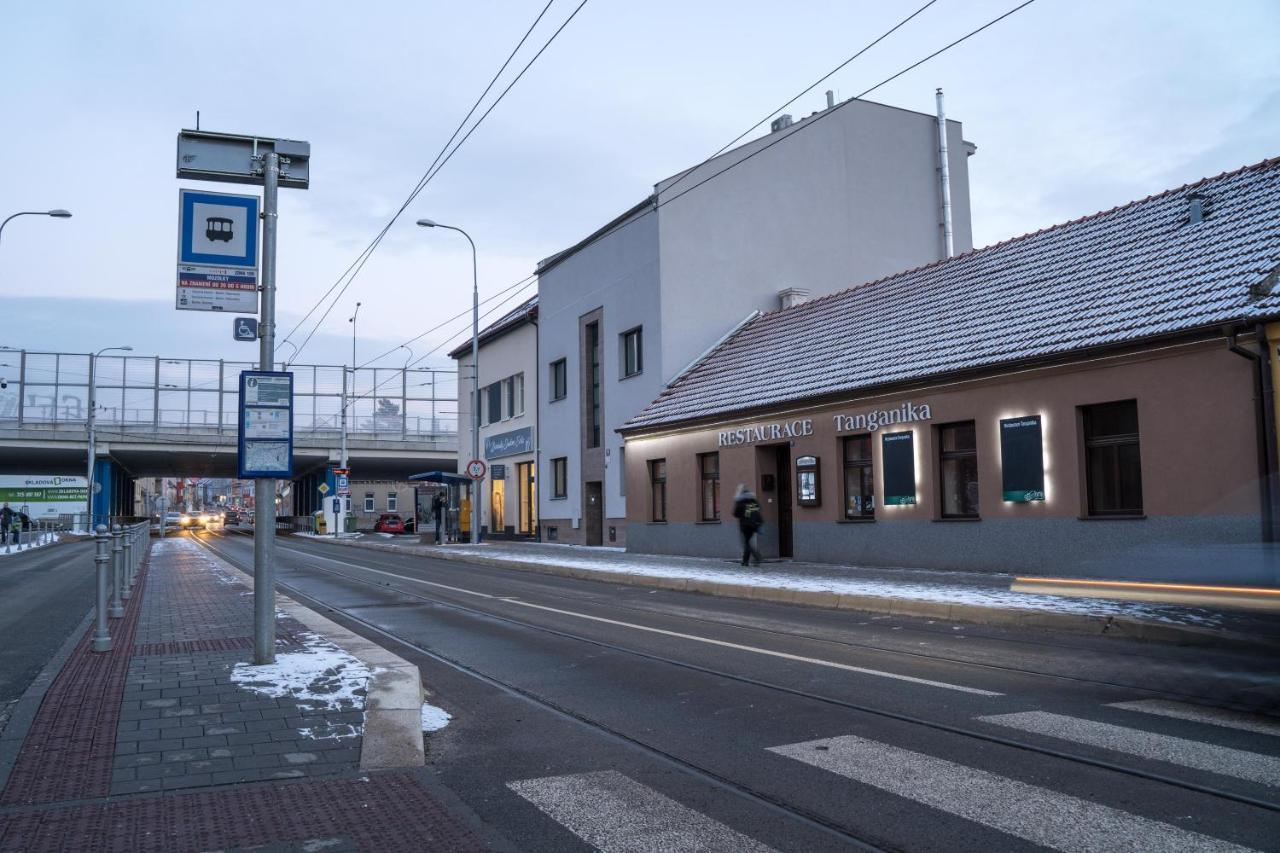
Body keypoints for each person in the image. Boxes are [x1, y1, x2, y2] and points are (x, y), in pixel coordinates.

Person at [731, 484, 763, 566]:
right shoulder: (753, 500)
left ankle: (756, 557)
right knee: (747, 542)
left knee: (746, 543)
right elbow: (759, 509)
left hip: (745, 525)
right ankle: (745, 561)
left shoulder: (740, 501)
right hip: (754, 525)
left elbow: (735, 514)